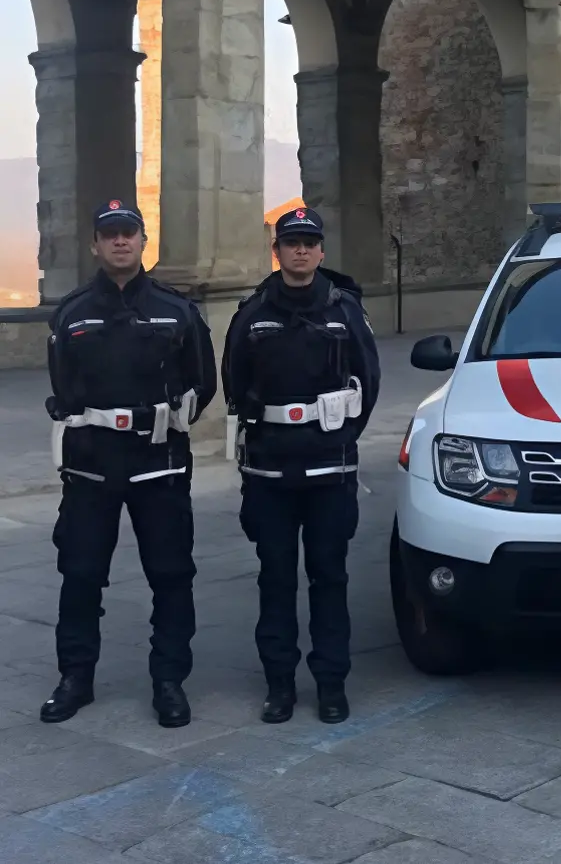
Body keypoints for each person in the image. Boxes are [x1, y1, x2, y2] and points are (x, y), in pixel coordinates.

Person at [41, 199, 216, 727]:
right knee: (80, 573)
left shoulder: (177, 310)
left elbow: (202, 381)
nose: (120, 241)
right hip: (92, 464)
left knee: (170, 574)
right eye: (110, 233)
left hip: (157, 461)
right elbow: (62, 384)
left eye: (129, 233)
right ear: (95, 244)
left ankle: (169, 681)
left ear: (143, 242)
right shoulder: (71, 312)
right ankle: (76, 677)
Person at [223, 206, 380, 725]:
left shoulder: (345, 309)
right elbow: (233, 380)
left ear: (321, 251)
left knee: (329, 577)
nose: (302, 250)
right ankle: (279, 685)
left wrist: (341, 437)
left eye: (310, 242)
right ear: (278, 250)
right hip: (269, 471)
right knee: (275, 579)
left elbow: (369, 380)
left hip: (329, 471)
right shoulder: (252, 312)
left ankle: (331, 683)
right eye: (292, 242)